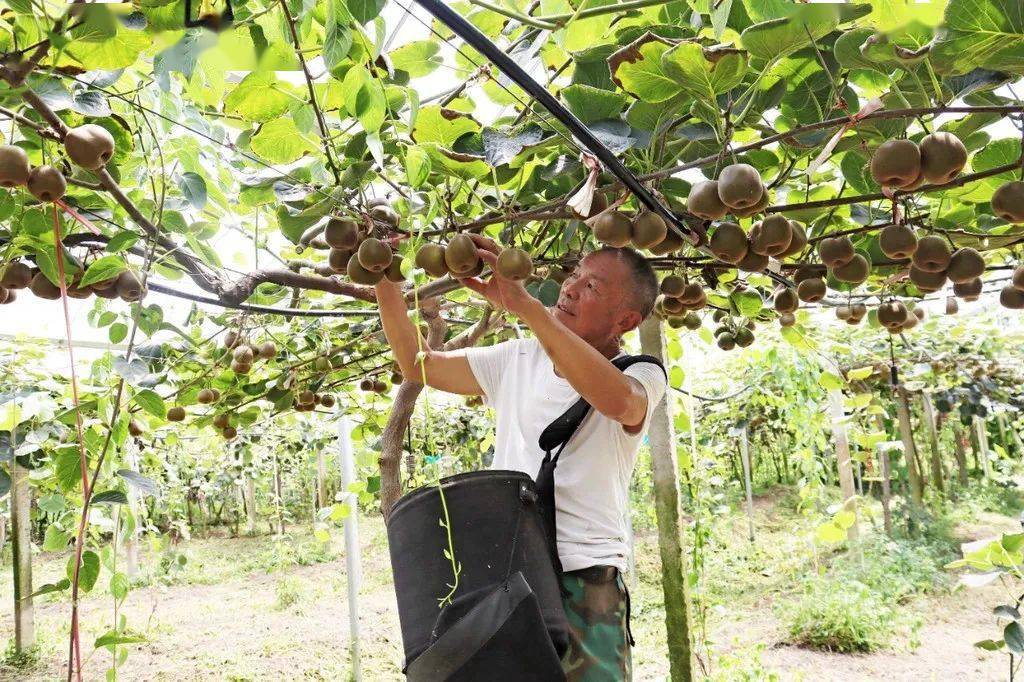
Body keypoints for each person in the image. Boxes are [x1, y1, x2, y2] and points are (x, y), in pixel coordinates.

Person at [375, 234, 667, 681]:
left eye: (593, 287)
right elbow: (418, 364)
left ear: (624, 319)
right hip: (510, 573)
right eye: (575, 275)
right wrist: (384, 277)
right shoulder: (518, 359)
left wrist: (525, 307)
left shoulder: (640, 373)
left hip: (582, 579)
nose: (570, 288)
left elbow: (620, 402)